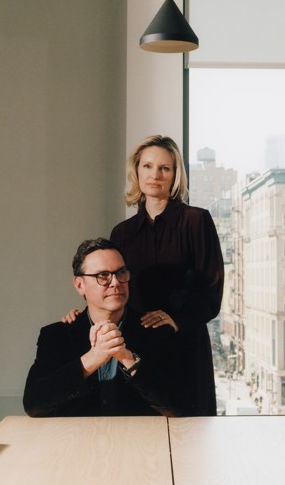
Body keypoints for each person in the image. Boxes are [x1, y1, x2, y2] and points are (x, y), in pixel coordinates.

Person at [64, 136, 224, 416]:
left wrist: (176, 320)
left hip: (184, 343)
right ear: (136, 172)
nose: (155, 175)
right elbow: (111, 283)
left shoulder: (196, 221)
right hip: (138, 346)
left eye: (165, 168)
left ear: (175, 175)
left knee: (191, 434)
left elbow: (211, 291)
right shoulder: (122, 232)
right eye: (148, 166)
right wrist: (87, 311)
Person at [23, 238, 181, 417]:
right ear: (79, 284)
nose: (115, 282)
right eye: (103, 275)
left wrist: (128, 359)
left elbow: (177, 406)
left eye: (121, 272)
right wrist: (94, 358)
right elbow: (33, 404)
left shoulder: (157, 330)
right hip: (76, 441)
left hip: (140, 440)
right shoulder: (56, 335)